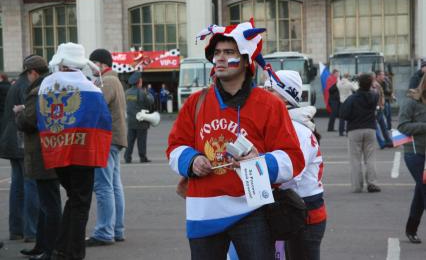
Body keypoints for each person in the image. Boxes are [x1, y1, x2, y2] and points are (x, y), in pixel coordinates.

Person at [166, 21, 304, 259]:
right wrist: (192, 159)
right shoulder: (195, 102)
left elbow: (293, 158)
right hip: (204, 213)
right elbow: (175, 147)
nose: (220, 58)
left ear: (246, 59)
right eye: (217, 52)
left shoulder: (269, 105)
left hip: (252, 211)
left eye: (229, 52)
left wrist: (260, 161)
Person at [38, 42, 112, 259]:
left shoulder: (46, 84)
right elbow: (103, 119)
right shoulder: (88, 86)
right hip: (82, 152)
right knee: (80, 203)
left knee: (72, 199)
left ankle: (61, 248)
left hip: (56, 150)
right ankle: (74, 253)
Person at [264, 70, 326, 260]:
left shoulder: (297, 130)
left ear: (285, 97)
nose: (263, 95)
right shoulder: (285, 125)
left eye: (269, 90)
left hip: (303, 214)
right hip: (292, 211)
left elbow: (289, 175)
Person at [15, 55, 62, 260]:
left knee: (50, 205)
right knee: (47, 203)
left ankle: (51, 249)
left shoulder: (38, 90)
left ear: (33, 72)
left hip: (43, 153)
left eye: (27, 73)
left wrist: (19, 114)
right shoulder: (52, 85)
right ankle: (42, 245)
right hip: (51, 151)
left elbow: (29, 121)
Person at [86, 48, 127, 246]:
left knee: (103, 187)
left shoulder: (107, 81)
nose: (91, 68)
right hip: (115, 138)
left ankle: (104, 231)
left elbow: (96, 105)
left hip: (106, 139)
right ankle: (116, 229)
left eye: (93, 64)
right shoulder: (114, 80)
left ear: (101, 64)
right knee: (114, 186)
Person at [0, 55, 40, 242]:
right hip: (21, 140)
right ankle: (30, 230)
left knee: (18, 185)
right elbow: (28, 115)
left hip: (12, 139)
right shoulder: (25, 86)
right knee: (29, 183)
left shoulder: (19, 83)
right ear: (32, 72)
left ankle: (17, 229)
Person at [340, 73, 381, 193]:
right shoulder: (374, 96)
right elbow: (376, 94)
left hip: (355, 129)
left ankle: (357, 186)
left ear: (358, 83)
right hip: (370, 128)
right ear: (370, 84)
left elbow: (343, 114)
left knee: (355, 159)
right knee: (370, 158)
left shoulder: (352, 98)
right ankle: (372, 183)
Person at [397, 74, 426, 244]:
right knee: (424, 188)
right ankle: (411, 230)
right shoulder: (412, 102)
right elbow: (402, 126)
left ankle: (411, 229)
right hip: (415, 153)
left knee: (420, 193)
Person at [124, 71, 154, 163]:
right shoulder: (142, 93)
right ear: (139, 82)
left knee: (130, 141)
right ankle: (142, 157)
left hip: (131, 121)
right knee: (141, 141)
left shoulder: (127, 92)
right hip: (141, 121)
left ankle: (127, 157)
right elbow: (150, 103)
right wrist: (148, 94)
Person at [373, 71, 393, 149]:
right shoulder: (374, 85)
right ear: (377, 76)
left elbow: (385, 93)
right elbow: (376, 96)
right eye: (382, 75)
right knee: (375, 125)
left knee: (383, 125)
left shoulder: (383, 82)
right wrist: (378, 106)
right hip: (377, 108)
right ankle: (382, 142)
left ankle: (388, 141)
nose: (384, 76)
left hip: (381, 107)